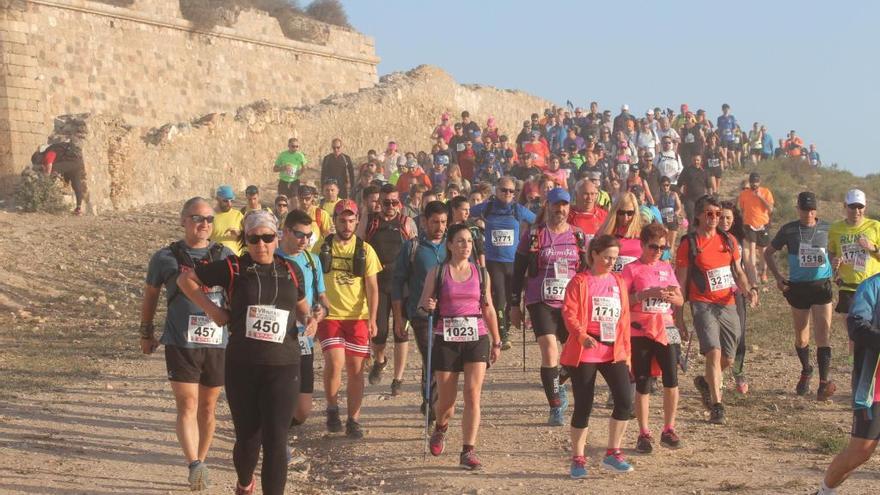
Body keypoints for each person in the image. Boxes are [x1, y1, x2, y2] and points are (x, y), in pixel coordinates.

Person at [177, 210, 315, 495]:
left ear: (276, 238)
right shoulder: (233, 267)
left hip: (284, 365)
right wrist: (213, 311)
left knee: (276, 440)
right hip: (244, 365)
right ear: (246, 240)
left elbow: (303, 310)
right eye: (254, 239)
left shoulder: (291, 270)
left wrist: (313, 318)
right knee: (249, 440)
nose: (261, 245)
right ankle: (244, 483)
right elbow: (186, 280)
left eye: (267, 237)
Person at [140, 197, 234, 491]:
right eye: (197, 218)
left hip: (217, 342)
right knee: (187, 403)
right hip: (181, 341)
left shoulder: (225, 255)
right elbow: (151, 295)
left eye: (209, 219)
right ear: (183, 220)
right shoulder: (165, 257)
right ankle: (193, 462)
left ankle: (201, 461)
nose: (204, 224)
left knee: (208, 407)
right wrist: (146, 331)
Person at [420, 223, 502, 470]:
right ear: (450, 245)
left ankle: (468, 450)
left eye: (469, 241)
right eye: (460, 241)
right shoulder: (438, 272)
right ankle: (441, 427)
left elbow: (488, 307)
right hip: (446, 338)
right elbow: (424, 303)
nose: (465, 246)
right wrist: (429, 306)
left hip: (476, 336)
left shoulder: (481, 273)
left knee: (472, 394)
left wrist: (496, 340)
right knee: (446, 402)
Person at [675, 195, 758, 424]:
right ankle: (717, 404)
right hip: (702, 303)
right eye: (709, 214)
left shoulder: (729, 240)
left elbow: (738, 272)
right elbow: (680, 283)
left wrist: (749, 290)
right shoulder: (689, 244)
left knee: (729, 358)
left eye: (717, 214)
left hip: (727, 302)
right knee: (714, 351)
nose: (714, 218)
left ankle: (706, 381)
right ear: (699, 216)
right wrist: (679, 316)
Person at [560, 234, 634, 478]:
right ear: (593, 255)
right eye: (606, 257)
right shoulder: (580, 281)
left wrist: (627, 353)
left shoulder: (618, 281)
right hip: (586, 349)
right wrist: (581, 336)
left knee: (624, 401)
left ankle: (613, 453)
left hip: (613, 350)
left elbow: (624, 318)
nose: (611, 262)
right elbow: (569, 313)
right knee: (584, 405)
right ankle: (578, 458)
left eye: (614, 258)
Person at [510, 188, 586, 426]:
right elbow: (518, 270)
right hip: (540, 300)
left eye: (564, 205)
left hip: (571, 304)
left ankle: (559, 381)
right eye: (556, 205)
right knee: (550, 351)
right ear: (547, 205)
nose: (560, 210)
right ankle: (555, 406)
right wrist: (514, 304)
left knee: (575, 354)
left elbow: (586, 271)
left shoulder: (578, 236)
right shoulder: (534, 234)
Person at [317, 199, 382, 438]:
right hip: (329, 315)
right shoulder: (321, 247)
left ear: (357, 222)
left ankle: (353, 419)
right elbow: (311, 274)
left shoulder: (365, 250)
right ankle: (332, 407)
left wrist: (373, 318)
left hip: (357, 318)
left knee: (356, 370)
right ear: (334, 221)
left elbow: (372, 287)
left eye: (351, 220)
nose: (346, 225)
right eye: (342, 220)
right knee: (334, 362)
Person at [814, 270, 880, 495]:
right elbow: (856, 325)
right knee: (860, 452)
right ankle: (824, 491)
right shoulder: (872, 286)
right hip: (874, 387)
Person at [763, 192, 835, 399]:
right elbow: (768, 252)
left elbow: (837, 250)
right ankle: (806, 370)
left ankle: (823, 382)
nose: (808, 213)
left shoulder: (828, 228)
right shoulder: (789, 229)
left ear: (816, 210)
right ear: (798, 209)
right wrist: (778, 277)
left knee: (823, 336)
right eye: (804, 209)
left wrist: (836, 266)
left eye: (811, 210)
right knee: (802, 337)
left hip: (821, 287)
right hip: (798, 288)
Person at [623, 223, 684, 453]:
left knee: (672, 377)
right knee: (643, 380)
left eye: (662, 247)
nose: (658, 251)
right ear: (642, 244)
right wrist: (645, 294)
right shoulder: (631, 270)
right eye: (653, 246)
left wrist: (671, 297)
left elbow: (680, 301)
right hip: (639, 329)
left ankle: (669, 429)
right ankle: (644, 433)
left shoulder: (667, 267)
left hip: (666, 327)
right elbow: (623, 301)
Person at [359, 184, 418, 394]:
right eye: (386, 202)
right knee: (379, 332)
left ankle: (398, 379)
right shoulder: (370, 221)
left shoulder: (406, 222)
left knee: (401, 332)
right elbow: (359, 246)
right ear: (380, 202)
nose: (390, 206)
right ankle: (380, 360)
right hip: (378, 285)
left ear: (399, 203)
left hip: (401, 285)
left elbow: (415, 251)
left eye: (394, 202)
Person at [392, 201, 449, 417]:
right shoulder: (412, 247)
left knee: (443, 360)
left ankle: (434, 398)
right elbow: (397, 283)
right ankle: (432, 405)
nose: (440, 227)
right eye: (435, 222)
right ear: (424, 222)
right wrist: (398, 318)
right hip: (422, 315)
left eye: (444, 222)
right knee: (432, 357)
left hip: (450, 315)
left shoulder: (453, 246)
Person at [276, 209, 330, 433]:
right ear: (286, 231)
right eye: (299, 235)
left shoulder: (312, 259)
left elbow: (323, 298)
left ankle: (276, 430)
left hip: (303, 337)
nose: (304, 241)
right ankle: (274, 439)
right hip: (276, 335)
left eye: (308, 236)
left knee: (303, 410)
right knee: (279, 395)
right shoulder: (271, 257)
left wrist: (321, 313)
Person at [470, 177, 537, 349]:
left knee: (510, 299)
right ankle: (502, 335)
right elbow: (466, 212)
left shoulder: (517, 209)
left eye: (511, 191)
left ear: (515, 193)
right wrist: (472, 226)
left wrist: (532, 238)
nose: (507, 193)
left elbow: (537, 220)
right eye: (503, 190)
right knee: (499, 298)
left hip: (513, 262)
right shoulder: (488, 207)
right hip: (494, 262)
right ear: (496, 190)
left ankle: (505, 325)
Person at [829, 189, 880, 365]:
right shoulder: (835, 229)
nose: (856, 211)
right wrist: (833, 261)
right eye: (852, 207)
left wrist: (873, 248)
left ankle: (873, 375)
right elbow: (831, 253)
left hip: (873, 289)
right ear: (845, 206)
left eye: (860, 207)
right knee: (854, 334)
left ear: (865, 208)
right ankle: (856, 371)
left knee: (875, 332)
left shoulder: (875, 226)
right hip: (848, 287)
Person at [718, 201, 753, 394]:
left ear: (734, 219)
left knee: (739, 335)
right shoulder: (710, 237)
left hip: (736, 292)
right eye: (721, 217)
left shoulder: (738, 239)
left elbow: (746, 265)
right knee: (718, 337)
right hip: (714, 295)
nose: (724, 221)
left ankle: (738, 371)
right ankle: (717, 375)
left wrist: (750, 288)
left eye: (728, 218)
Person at [737, 172, 775, 284]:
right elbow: (742, 210)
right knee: (751, 250)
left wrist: (760, 197)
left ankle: (763, 273)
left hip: (763, 225)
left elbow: (770, 209)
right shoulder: (744, 194)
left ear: (760, 182)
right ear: (750, 182)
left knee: (763, 251)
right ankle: (753, 275)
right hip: (749, 225)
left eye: (756, 182)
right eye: (753, 182)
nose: (754, 184)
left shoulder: (766, 192)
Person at [33, 140, 87, 215]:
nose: (41, 164)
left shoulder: (48, 154)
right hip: (77, 163)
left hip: (71, 163)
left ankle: (46, 196)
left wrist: (45, 183)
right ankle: (78, 208)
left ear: (39, 158)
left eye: (39, 162)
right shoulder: (51, 151)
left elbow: (49, 169)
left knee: (52, 170)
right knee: (77, 186)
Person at [599, 192, 644, 274]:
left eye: (630, 213)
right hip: (611, 280)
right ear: (615, 212)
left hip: (636, 280)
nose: (625, 217)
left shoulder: (643, 234)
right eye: (621, 213)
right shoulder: (603, 234)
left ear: (635, 213)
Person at [567, 179, 608, 244]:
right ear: (576, 195)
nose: (589, 197)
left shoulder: (604, 215)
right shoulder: (566, 215)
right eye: (586, 194)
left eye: (592, 194)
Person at [210, 185, 244, 255]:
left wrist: (240, 234)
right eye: (225, 201)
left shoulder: (238, 215)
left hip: (234, 260)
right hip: (216, 260)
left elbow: (249, 237)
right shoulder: (210, 216)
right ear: (217, 199)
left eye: (231, 200)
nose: (229, 204)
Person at [677, 154, 709, 225]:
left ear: (701, 161)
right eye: (694, 160)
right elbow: (679, 183)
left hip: (701, 199)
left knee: (700, 218)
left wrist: (710, 198)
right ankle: (691, 234)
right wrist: (680, 195)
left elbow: (709, 186)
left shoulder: (704, 171)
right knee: (691, 218)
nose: (696, 162)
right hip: (689, 199)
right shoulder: (686, 170)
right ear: (691, 161)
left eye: (697, 160)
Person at [656, 176, 684, 250]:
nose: (665, 187)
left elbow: (679, 207)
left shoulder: (674, 194)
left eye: (667, 185)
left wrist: (675, 214)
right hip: (662, 221)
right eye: (664, 185)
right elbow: (656, 208)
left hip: (672, 220)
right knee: (663, 243)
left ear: (670, 185)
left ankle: (670, 260)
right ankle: (665, 260)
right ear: (661, 186)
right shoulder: (658, 195)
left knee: (671, 245)